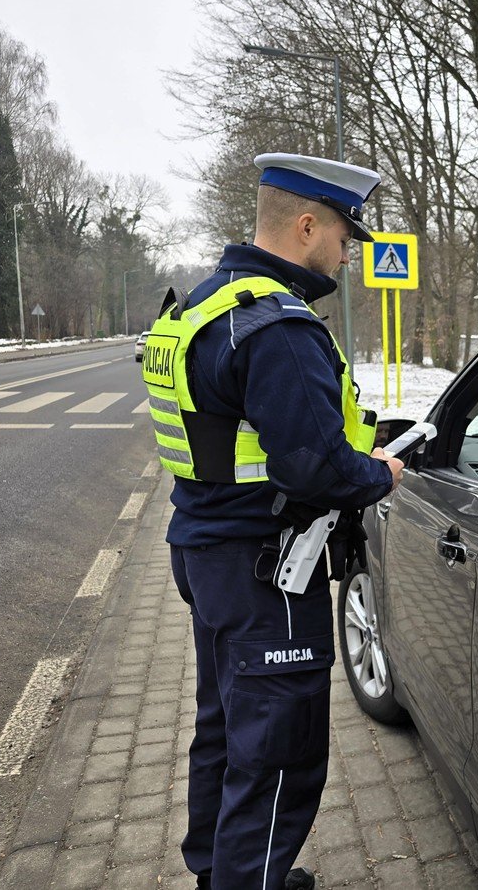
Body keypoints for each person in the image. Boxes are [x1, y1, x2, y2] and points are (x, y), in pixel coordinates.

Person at [141, 153, 404, 890]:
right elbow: (315, 470)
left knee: (226, 731)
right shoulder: (277, 324)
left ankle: (220, 873)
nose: (347, 256)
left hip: (207, 553)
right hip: (267, 570)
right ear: (307, 225)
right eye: (344, 239)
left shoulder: (207, 304)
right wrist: (380, 473)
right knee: (279, 757)